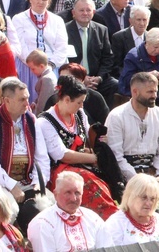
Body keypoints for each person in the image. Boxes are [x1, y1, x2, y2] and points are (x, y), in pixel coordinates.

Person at [37, 74, 119, 219]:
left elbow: (88, 138)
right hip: (59, 168)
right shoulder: (45, 121)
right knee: (88, 180)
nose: (82, 106)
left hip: (82, 162)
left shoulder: (79, 114)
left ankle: (113, 213)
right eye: (79, 102)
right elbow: (62, 155)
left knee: (108, 173)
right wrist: (94, 158)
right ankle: (110, 216)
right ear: (67, 99)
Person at [0, 78, 50, 219]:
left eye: (27, 98)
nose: (27, 103)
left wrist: (38, 183)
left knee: (45, 208)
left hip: (28, 181)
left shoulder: (31, 119)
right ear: (7, 101)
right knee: (10, 212)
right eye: (22, 99)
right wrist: (12, 186)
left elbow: (42, 157)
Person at [27, 171, 114, 251]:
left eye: (77, 193)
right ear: (56, 194)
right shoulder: (42, 223)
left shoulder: (93, 218)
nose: (73, 199)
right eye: (68, 192)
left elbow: (107, 248)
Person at [106, 71, 159, 179]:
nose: (154, 96)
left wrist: (156, 174)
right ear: (135, 92)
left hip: (154, 173)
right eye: (149, 92)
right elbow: (115, 156)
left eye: (155, 91)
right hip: (125, 175)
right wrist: (137, 179)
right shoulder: (116, 116)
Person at [104, 173, 159, 244]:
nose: (148, 203)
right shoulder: (116, 223)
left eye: (152, 199)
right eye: (144, 197)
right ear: (130, 196)